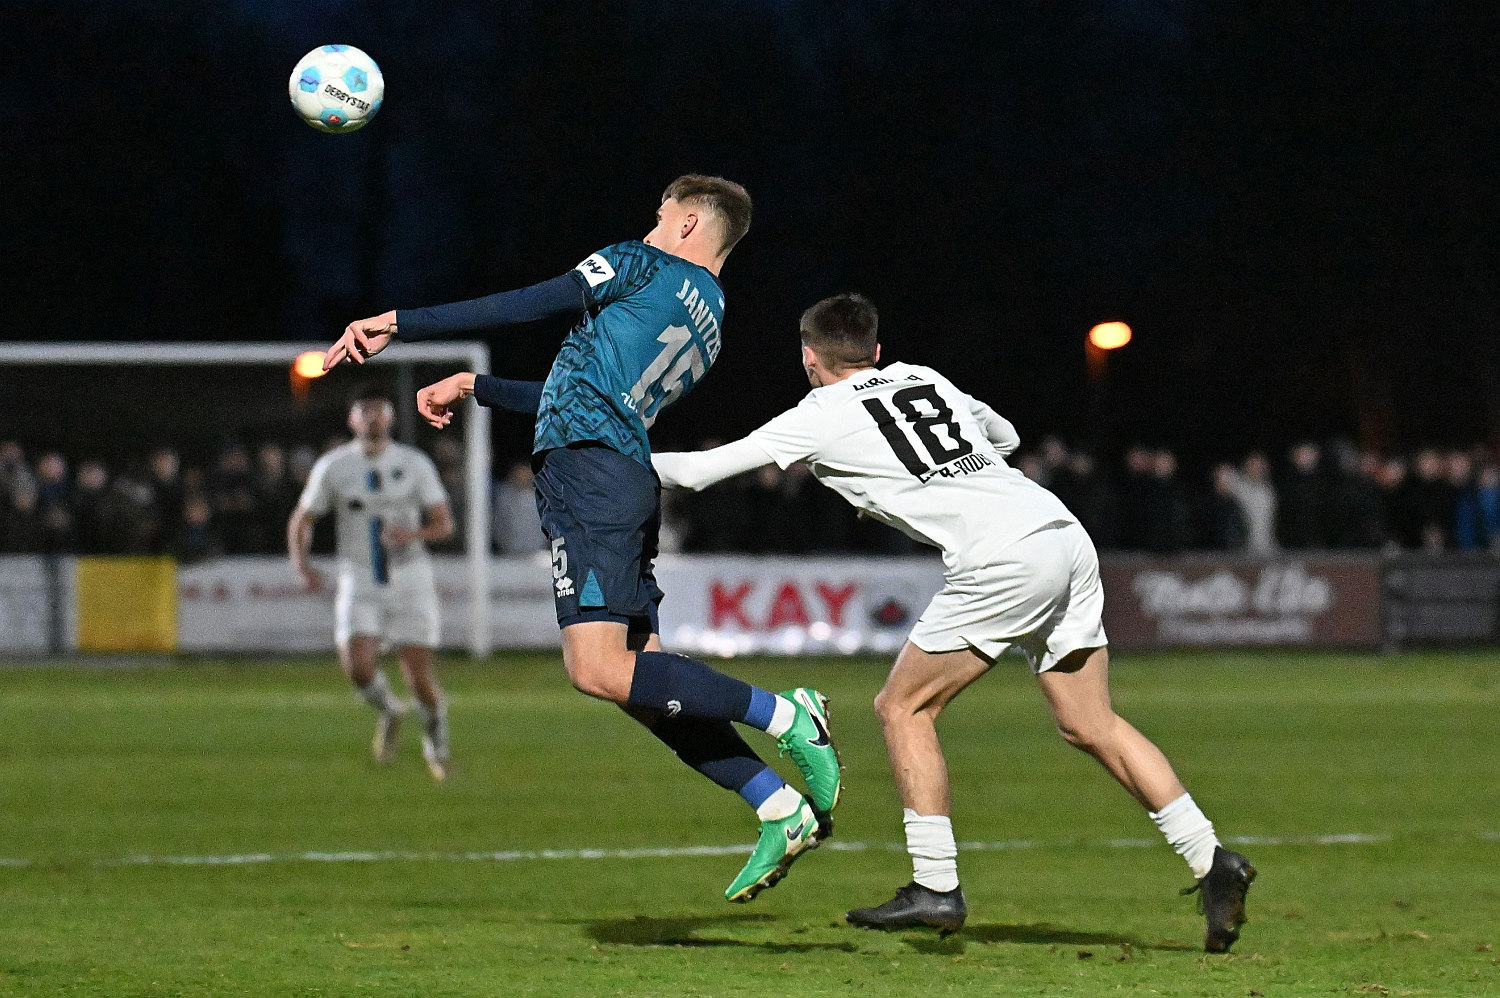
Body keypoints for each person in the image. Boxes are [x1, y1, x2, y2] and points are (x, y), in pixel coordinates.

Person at [648, 293, 1256, 952]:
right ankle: (1211, 859)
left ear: (809, 355)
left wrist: (597, 458)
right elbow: (1007, 437)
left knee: (901, 707)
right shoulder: (922, 378)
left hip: (1000, 558)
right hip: (1060, 532)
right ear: (876, 351)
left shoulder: (818, 413)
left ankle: (936, 883)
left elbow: (698, 472)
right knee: (1090, 721)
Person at [323, 175, 842, 903]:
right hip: (620, 473)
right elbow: (586, 395)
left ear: (691, 222)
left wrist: (401, 323)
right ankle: (777, 807)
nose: (651, 223)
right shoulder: (710, 320)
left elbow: (535, 299)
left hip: (589, 480)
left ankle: (789, 716)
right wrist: (475, 388)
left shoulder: (642, 263)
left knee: (596, 671)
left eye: (660, 214)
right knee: (642, 682)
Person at [287, 386, 456, 781]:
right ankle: (390, 711)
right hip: (359, 576)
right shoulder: (334, 466)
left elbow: (444, 523)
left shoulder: (414, 463)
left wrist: (411, 536)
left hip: (411, 578)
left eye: (379, 412)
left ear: (391, 418)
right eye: (365, 412)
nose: (373, 419)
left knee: (419, 680)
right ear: (352, 419)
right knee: (358, 668)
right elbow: (303, 518)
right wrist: (302, 565)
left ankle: (437, 747)